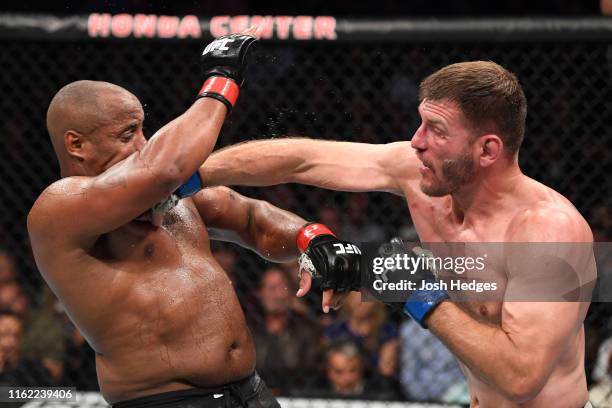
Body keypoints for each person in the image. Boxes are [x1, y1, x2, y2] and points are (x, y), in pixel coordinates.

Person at [200, 61, 596, 407]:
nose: (416, 141)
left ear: (487, 150)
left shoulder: (547, 230)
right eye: (421, 122)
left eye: (437, 130)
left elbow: (520, 379)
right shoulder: (421, 175)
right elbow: (302, 159)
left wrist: (416, 291)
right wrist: (186, 172)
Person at [27, 29, 360, 407]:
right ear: (76, 144)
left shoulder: (167, 195)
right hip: (169, 401)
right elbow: (163, 168)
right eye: (126, 135)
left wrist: (312, 239)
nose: (141, 144)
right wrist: (222, 79)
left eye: (141, 130)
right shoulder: (60, 208)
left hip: (249, 391)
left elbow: (251, 218)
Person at [249, 266, 321, 395]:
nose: (277, 295)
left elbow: (311, 372)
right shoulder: (250, 329)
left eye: (282, 287)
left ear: (292, 293)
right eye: (271, 288)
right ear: (260, 293)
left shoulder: (307, 329)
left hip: (298, 397)